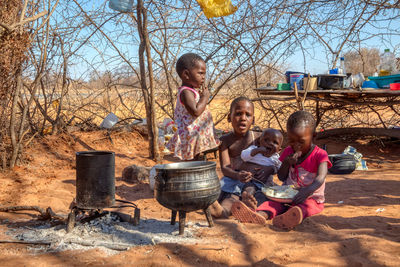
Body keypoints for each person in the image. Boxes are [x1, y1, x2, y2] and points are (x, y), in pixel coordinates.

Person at [231, 110, 332, 229]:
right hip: (286, 196)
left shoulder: (320, 155)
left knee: (305, 207)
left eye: (301, 141)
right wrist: (286, 163)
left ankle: (291, 217)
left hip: (310, 197)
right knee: (272, 204)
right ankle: (259, 215)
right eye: (292, 141)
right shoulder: (288, 151)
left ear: (313, 136)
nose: (296, 145)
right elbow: (281, 177)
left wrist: (307, 191)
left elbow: (321, 177)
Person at [209, 97, 274, 218]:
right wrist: (237, 175)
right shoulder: (225, 140)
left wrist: (269, 170)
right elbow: (225, 168)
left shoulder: (260, 138)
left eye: (248, 115)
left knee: (256, 194)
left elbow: (275, 159)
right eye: (238, 114)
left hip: (257, 180)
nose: (243, 118)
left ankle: (249, 207)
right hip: (234, 178)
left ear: (253, 120)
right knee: (231, 195)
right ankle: (223, 211)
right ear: (229, 117)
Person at [166, 53, 220, 161]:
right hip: (189, 136)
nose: (203, 77)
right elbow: (195, 111)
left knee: (195, 161)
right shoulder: (186, 92)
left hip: (193, 135)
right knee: (191, 163)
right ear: (186, 74)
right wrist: (204, 97)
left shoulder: (191, 91)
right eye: (200, 73)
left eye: (204, 74)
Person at [240, 128, 283, 209]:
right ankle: (246, 199)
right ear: (259, 142)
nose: (270, 143)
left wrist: (273, 168)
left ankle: (254, 207)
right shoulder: (253, 149)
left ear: (279, 150)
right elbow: (243, 156)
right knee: (249, 189)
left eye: (275, 142)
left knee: (264, 195)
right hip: (251, 180)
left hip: (266, 185)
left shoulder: (276, 158)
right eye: (266, 140)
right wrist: (256, 150)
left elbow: (280, 170)